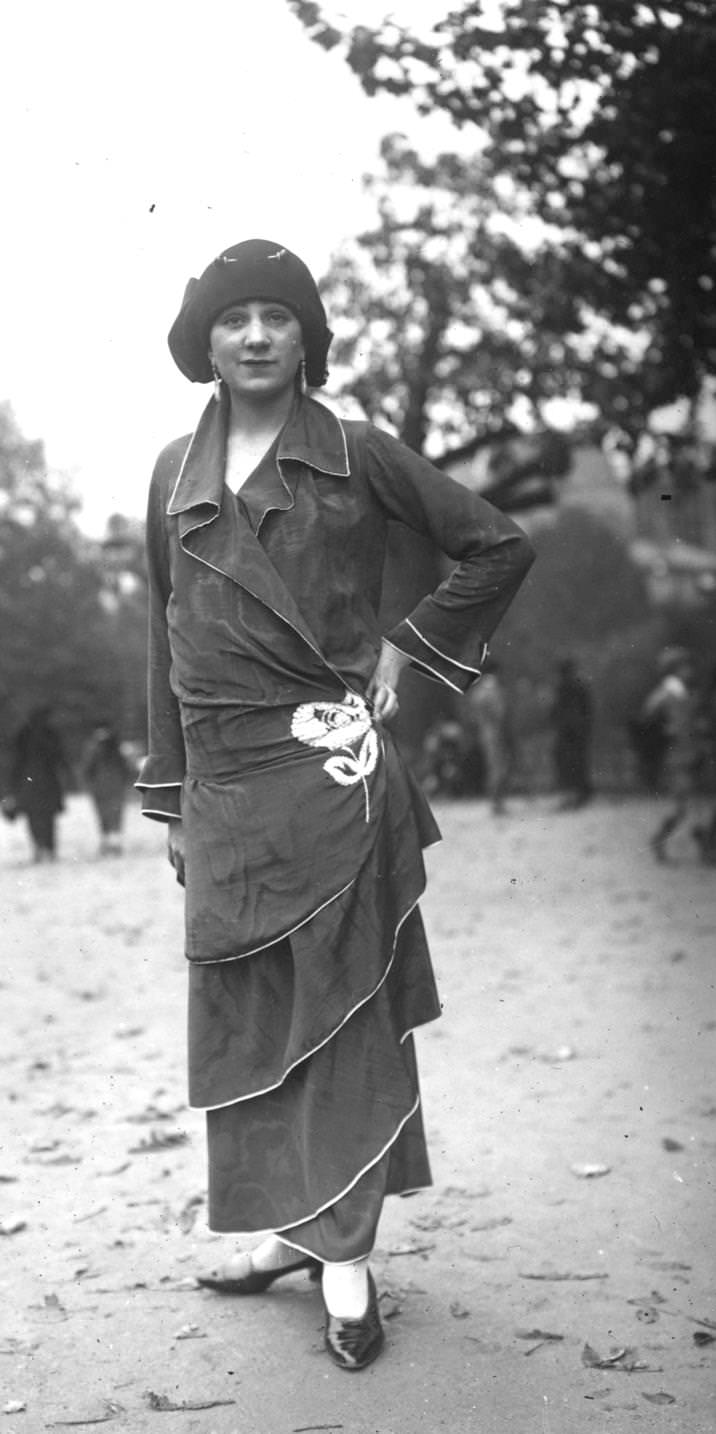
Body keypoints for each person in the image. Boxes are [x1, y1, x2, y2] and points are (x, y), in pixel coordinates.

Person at [137, 239, 534, 1372]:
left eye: (279, 315)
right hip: (221, 787)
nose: (257, 335)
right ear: (202, 344)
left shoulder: (358, 454)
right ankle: (283, 1232)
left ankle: (348, 1261)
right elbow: (161, 640)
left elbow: (495, 545)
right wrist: (168, 797)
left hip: (332, 778)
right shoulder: (171, 471)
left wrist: (411, 648)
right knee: (255, 1017)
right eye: (233, 319)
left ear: (309, 336)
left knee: (346, 1014)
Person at [643, 649, 701, 862]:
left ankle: (702, 845)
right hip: (676, 756)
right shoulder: (668, 694)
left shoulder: (678, 693)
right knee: (682, 806)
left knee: (689, 805)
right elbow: (652, 722)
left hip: (685, 753)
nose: (689, 670)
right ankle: (659, 840)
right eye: (684, 666)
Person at [11, 705, 70, 862]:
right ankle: (49, 849)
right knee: (48, 818)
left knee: (33, 817)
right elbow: (60, 757)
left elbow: (16, 761)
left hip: (29, 781)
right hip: (48, 781)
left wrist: (14, 781)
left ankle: (39, 847)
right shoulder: (50, 734)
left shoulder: (24, 734)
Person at [465, 657, 513, 816]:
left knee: (492, 766)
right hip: (495, 730)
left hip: (484, 731)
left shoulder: (479, 689)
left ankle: (495, 801)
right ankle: (497, 802)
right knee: (498, 767)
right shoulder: (494, 688)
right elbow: (500, 712)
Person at [79, 725, 134, 856]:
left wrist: (89, 784)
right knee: (115, 814)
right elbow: (126, 769)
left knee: (103, 815)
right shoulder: (116, 749)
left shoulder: (93, 749)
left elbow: (87, 769)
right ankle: (114, 843)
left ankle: (106, 842)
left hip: (100, 787)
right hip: (115, 786)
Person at [549, 657, 593, 809]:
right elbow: (587, 710)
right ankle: (578, 794)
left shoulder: (564, 687)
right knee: (575, 763)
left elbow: (556, 710)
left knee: (569, 764)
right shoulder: (578, 686)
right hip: (574, 730)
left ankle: (573, 796)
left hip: (568, 731)